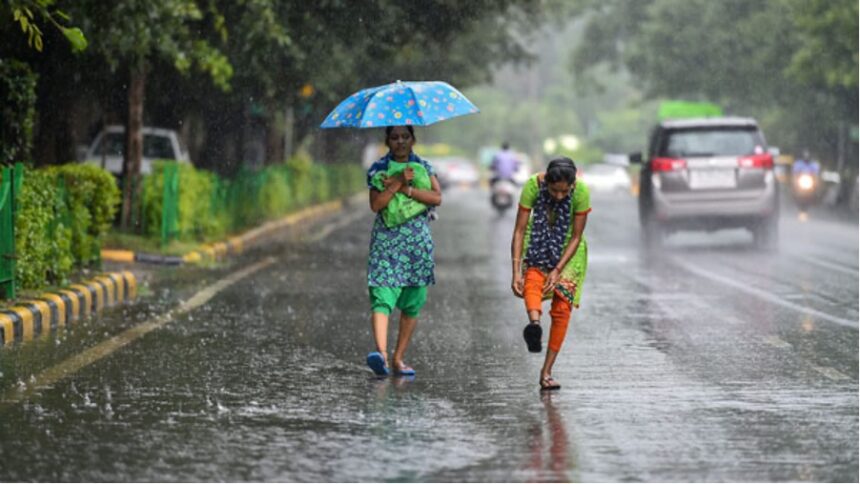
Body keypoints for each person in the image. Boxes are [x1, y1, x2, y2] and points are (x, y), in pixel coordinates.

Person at [365, 125, 442, 377]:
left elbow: (436, 198)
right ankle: (382, 356)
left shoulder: (423, 167)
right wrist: (396, 182)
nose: (400, 142)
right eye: (395, 137)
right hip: (387, 242)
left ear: (413, 139)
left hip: (416, 244)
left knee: (412, 302)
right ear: (387, 140)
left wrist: (408, 188)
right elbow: (376, 205)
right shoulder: (378, 169)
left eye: (405, 137)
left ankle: (398, 358)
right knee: (382, 294)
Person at [510, 157, 590, 391]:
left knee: (562, 308)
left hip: (569, 250)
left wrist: (557, 270)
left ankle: (546, 372)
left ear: (573, 185)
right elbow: (519, 230)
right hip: (537, 241)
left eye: (564, 191)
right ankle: (534, 325)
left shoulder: (582, 191)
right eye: (554, 190)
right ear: (546, 183)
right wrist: (516, 271)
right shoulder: (532, 187)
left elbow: (576, 236)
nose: (558, 196)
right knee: (532, 281)